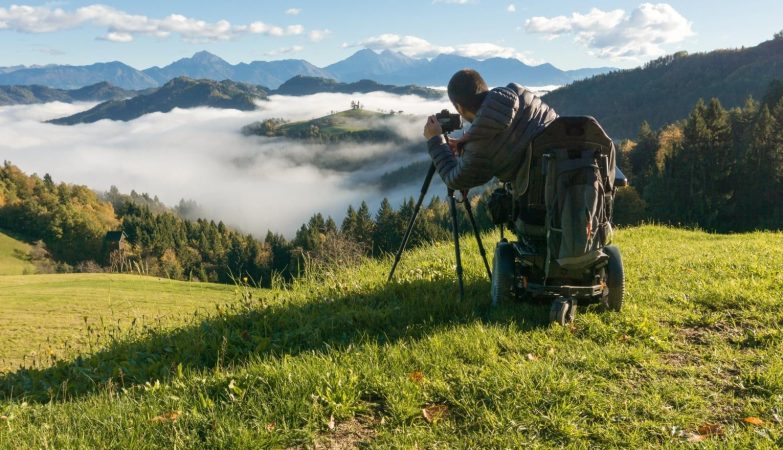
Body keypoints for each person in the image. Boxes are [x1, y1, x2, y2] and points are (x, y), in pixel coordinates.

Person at [423, 69, 558, 192]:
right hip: (570, 166)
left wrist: (436, 141)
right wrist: (470, 141)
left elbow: (454, 180)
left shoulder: (480, 149)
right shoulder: (519, 93)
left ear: (459, 107)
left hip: (540, 204)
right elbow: (499, 125)